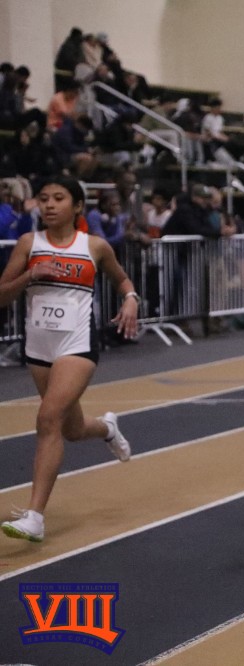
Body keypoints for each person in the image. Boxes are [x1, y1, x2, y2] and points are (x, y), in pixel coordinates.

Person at [0, 176, 138, 543]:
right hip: (39, 348)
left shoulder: (93, 246)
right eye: (44, 198)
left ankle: (34, 517)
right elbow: (2, 296)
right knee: (71, 429)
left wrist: (131, 299)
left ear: (77, 206)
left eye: (58, 198)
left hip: (77, 345)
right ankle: (107, 428)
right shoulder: (29, 243)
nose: (49, 204)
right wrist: (30, 275)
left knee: (47, 418)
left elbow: (122, 280)